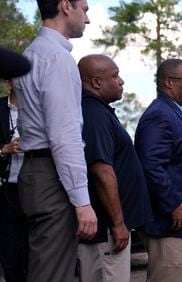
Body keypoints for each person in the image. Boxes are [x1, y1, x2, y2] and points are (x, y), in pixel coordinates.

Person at [13, 1, 97, 281]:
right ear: (65, 6)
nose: (87, 19)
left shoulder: (31, 54)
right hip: (52, 176)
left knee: (45, 266)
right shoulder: (56, 58)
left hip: (36, 171)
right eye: (84, 9)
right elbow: (64, 135)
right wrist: (82, 201)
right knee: (52, 274)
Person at [77, 54, 153, 282]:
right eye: (115, 75)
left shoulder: (99, 112)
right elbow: (101, 172)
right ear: (96, 82)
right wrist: (118, 224)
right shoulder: (93, 114)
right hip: (107, 231)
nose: (121, 81)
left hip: (109, 228)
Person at [135, 58, 182, 282]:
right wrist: (173, 204)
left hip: (176, 222)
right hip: (168, 223)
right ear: (168, 83)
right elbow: (151, 165)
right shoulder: (160, 115)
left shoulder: (172, 112)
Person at [0, 81, 28, 282]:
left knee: (33, 249)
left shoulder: (40, 107)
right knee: (9, 251)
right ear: (8, 82)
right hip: (5, 191)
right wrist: (4, 149)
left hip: (36, 189)